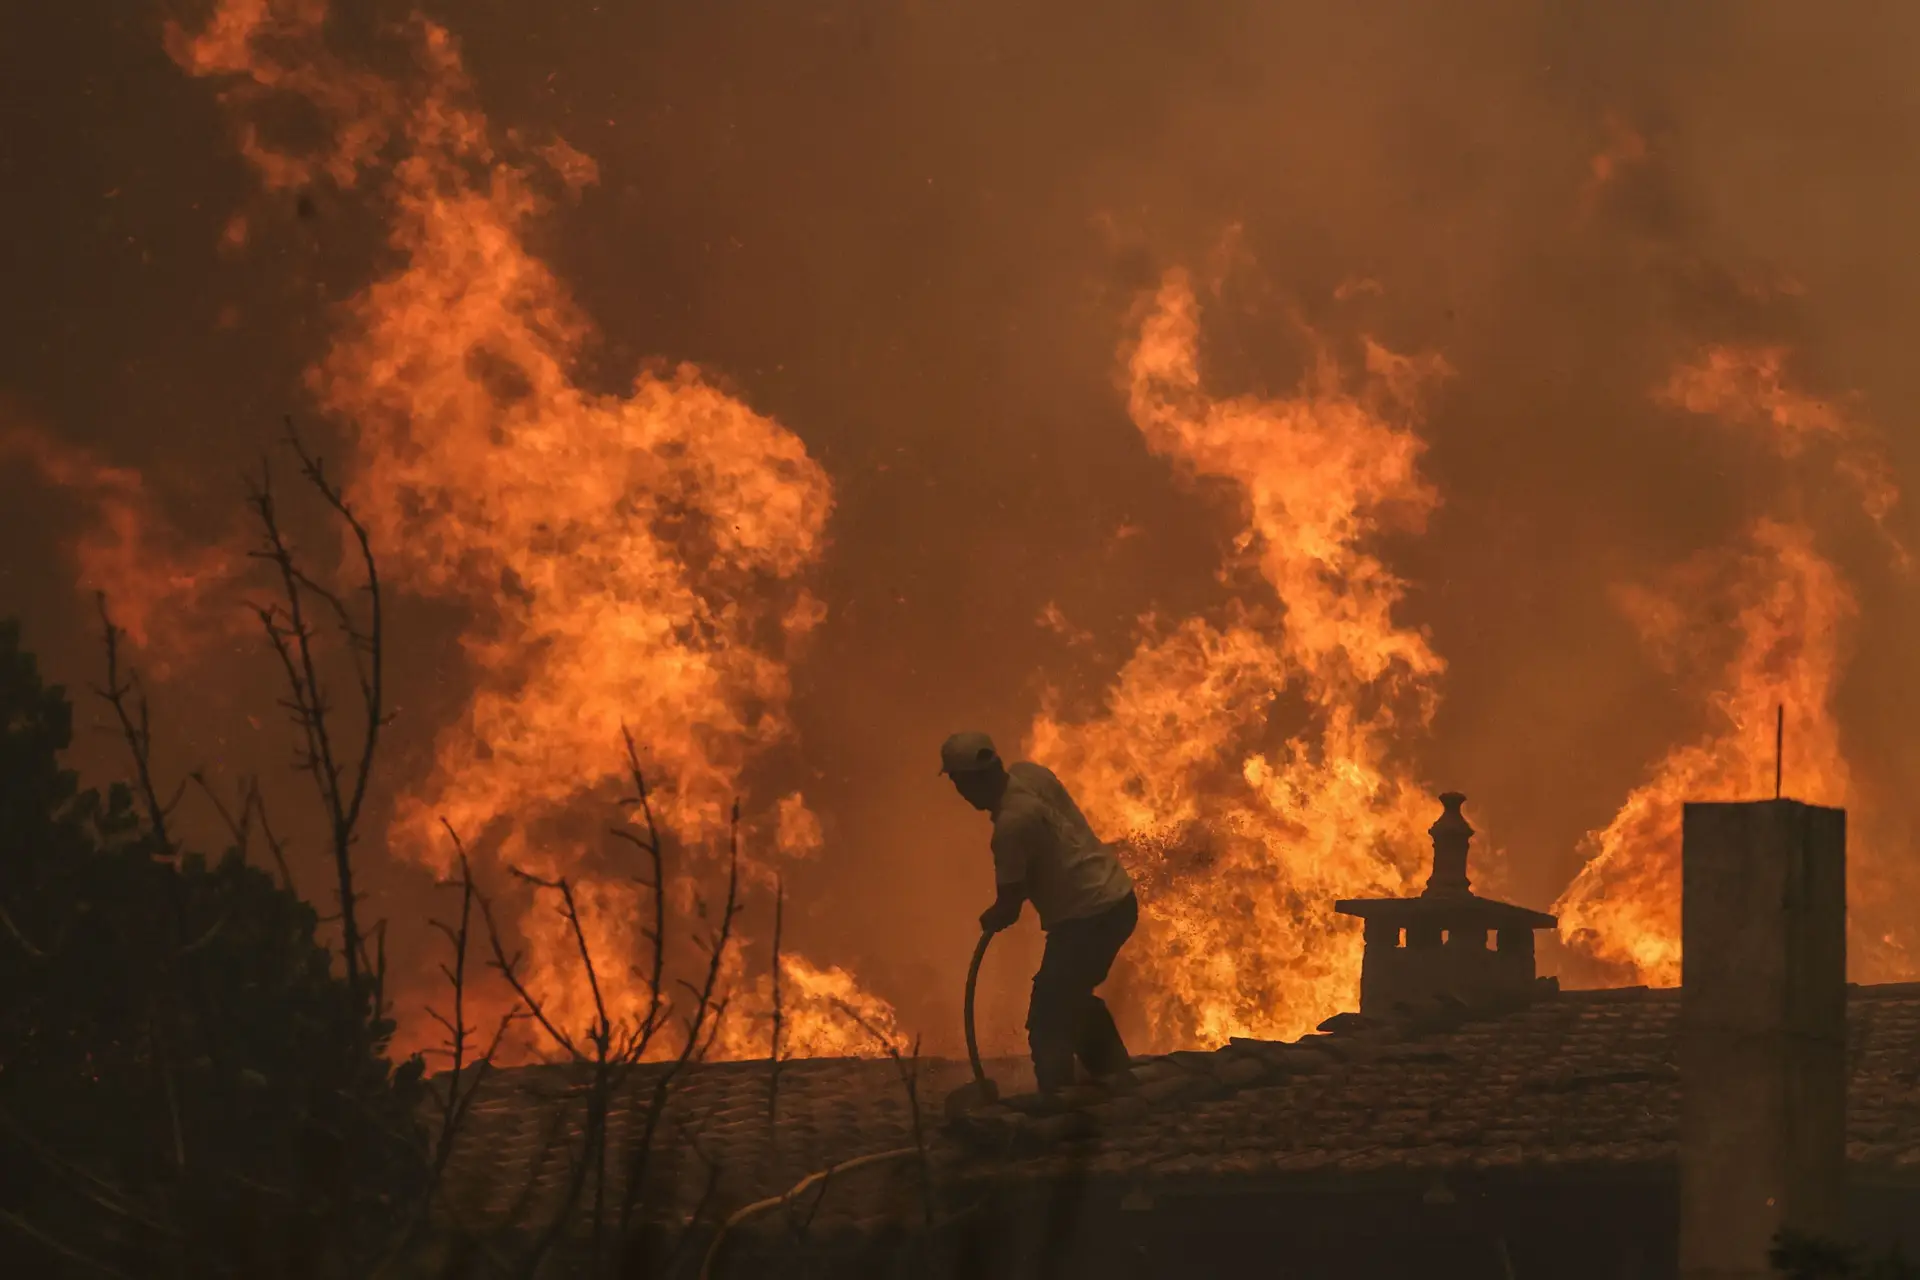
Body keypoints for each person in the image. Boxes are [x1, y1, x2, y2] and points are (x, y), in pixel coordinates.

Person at [940, 731, 1138, 1094]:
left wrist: (993, 915)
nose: (959, 792)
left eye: (956, 781)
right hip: (1117, 899)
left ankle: (1058, 1094)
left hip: (1089, 917)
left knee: (1049, 1015)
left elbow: (1009, 907)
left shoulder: (1011, 826)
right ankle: (1114, 1077)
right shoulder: (1031, 774)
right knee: (1071, 995)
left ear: (967, 781)